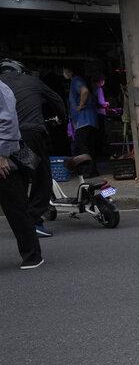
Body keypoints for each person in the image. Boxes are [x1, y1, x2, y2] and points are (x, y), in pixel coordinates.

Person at [0, 59, 66, 237]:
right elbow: (57, 100)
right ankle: (34, 221)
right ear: (21, 70)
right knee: (41, 178)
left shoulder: (1, 85)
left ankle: (24, 224)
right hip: (29, 136)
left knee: (19, 179)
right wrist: (61, 118)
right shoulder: (33, 81)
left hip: (8, 142)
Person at [0, 79, 44, 269]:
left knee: (16, 208)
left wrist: (1, 154)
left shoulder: (1, 88)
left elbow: (8, 122)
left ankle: (32, 255)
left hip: (6, 157)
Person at [64, 65, 100, 177]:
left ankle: (88, 170)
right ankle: (92, 170)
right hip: (90, 121)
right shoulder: (80, 80)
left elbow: (84, 91)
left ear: (70, 71)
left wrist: (80, 105)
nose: (63, 73)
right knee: (88, 146)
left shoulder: (76, 80)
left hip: (83, 121)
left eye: (64, 71)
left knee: (82, 146)